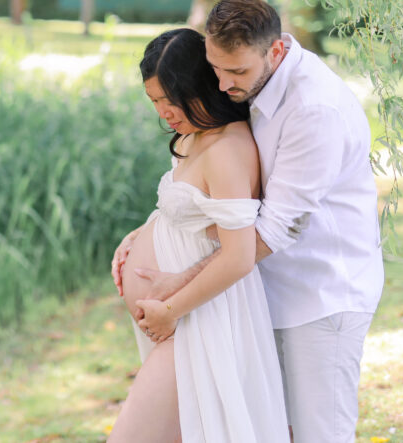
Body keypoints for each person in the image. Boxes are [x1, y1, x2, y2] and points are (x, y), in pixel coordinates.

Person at [114, 0, 384, 443]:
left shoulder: (313, 109)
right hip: (261, 294)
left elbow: (273, 229)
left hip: (320, 294)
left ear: (275, 50)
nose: (221, 84)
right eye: (215, 68)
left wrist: (177, 289)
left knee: (319, 433)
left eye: (235, 71)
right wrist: (148, 232)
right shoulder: (247, 87)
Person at [107, 27, 288, 443]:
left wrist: (170, 310)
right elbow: (187, 210)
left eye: (172, 100)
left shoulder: (226, 149)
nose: (164, 113)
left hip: (200, 321)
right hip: (179, 320)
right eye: (154, 101)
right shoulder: (194, 136)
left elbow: (239, 255)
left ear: (201, 88)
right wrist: (140, 234)